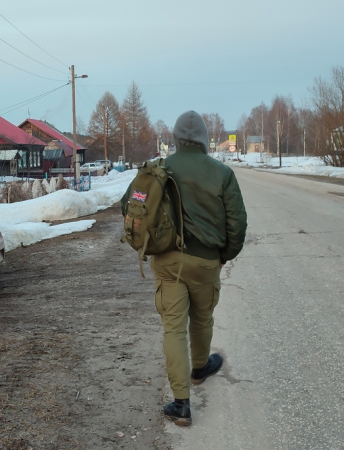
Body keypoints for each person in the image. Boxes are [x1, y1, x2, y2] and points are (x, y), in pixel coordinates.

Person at [124, 110, 247, 426]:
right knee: (203, 316)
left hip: (166, 261)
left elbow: (129, 206)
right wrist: (225, 255)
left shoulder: (158, 170)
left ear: (176, 140)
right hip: (206, 261)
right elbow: (238, 223)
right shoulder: (222, 173)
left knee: (174, 328)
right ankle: (200, 368)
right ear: (205, 141)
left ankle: (181, 404)